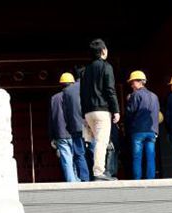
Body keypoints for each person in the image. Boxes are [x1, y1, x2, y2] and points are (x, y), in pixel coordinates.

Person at [80, 38, 120, 181]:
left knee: (95, 141)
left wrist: (84, 113)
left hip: (88, 112)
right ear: (103, 51)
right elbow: (110, 90)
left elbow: (82, 93)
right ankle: (98, 172)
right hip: (102, 110)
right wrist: (116, 110)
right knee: (101, 141)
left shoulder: (85, 70)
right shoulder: (106, 67)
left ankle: (98, 170)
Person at [125, 71, 161, 180]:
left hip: (138, 131)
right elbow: (157, 114)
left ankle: (137, 180)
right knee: (151, 157)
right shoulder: (154, 96)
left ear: (140, 82)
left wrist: (128, 100)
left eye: (132, 82)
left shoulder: (135, 95)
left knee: (137, 157)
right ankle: (151, 179)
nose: (131, 85)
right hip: (152, 131)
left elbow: (129, 113)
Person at [49, 73, 79, 182]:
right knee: (77, 157)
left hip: (60, 134)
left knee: (66, 159)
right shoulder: (74, 96)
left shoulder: (54, 98)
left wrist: (52, 136)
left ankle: (72, 182)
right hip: (74, 132)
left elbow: (52, 118)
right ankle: (78, 180)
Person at [61, 68, 90, 182]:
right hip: (89, 125)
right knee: (93, 150)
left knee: (79, 153)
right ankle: (97, 176)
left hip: (76, 126)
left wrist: (69, 126)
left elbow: (66, 112)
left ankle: (85, 178)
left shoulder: (67, 91)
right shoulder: (89, 87)